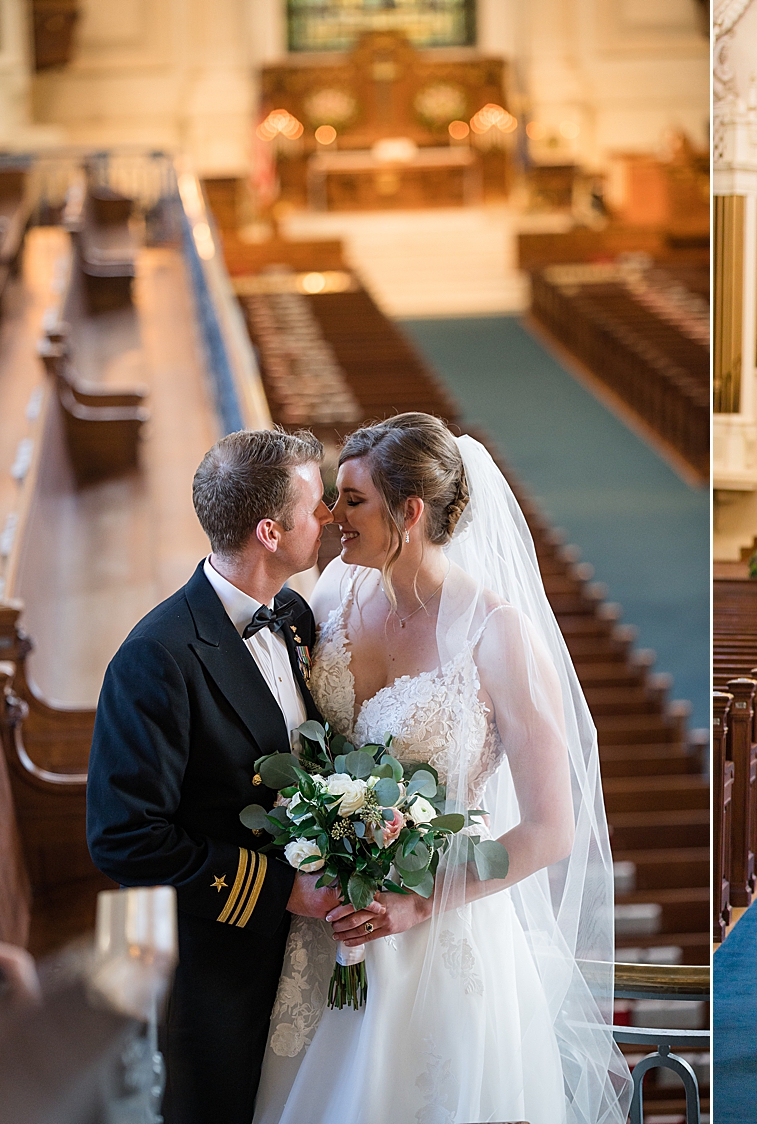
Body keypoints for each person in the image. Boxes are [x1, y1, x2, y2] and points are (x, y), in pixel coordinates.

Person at [252, 413, 628, 1124]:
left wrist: (417, 902)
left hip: (438, 938)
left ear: (410, 512)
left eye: (353, 500)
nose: (333, 515)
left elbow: (551, 830)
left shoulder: (497, 635)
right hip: (330, 926)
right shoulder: (332, 590)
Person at [86, 428, 341, 1124]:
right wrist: (284, 890)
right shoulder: (157, 657)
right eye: (316, 504)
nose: (328, 516)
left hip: (309, 953)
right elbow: (126, 839)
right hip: (222, 964)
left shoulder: (292, 616)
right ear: (269, 530)